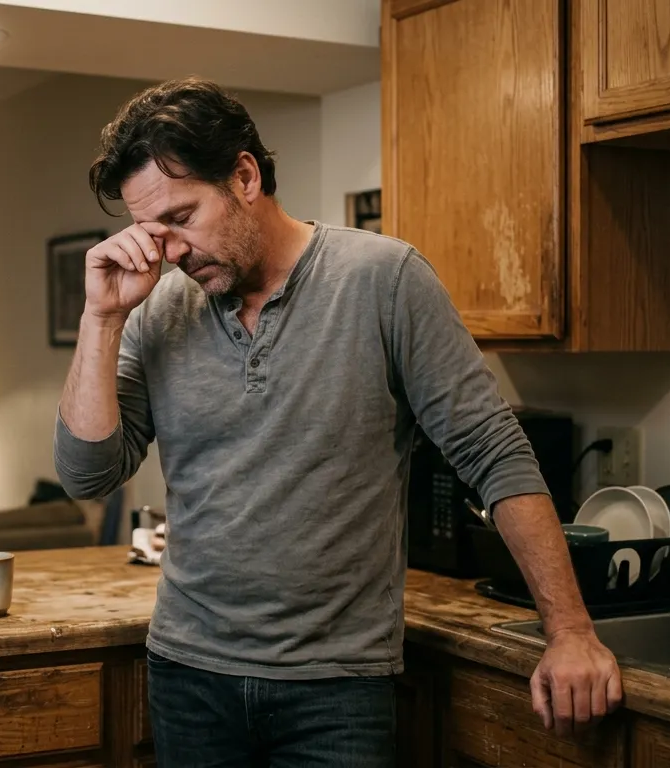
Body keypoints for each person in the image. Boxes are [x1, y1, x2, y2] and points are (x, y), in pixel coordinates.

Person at [52, 76, 622, 767]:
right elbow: (87, 476)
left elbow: (495, 455)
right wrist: (102, 317)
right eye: (154, 230)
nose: (172, 251)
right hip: (189, 674)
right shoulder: (158, 312)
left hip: (337, 688)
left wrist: (570, 632)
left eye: (182, 217)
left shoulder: (384, 280)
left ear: (244, 176)